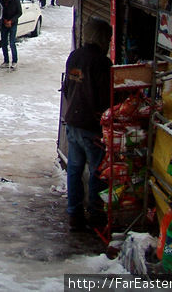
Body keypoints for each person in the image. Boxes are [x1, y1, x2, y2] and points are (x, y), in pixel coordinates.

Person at [61, 17, 113, 231]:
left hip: (72, 121)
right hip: (91, 126)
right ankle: (95, 213)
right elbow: (106, 96)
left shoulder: (75, 56)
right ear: (103, 38)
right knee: (97, 172)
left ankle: (74, 214)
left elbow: (66, 88)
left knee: (74, 170)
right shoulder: (102, 62)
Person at [0, 0, 22, 68]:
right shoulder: (0, 1)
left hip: (13, 23)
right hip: (4, 23)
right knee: (4, 42)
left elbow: (19, 12)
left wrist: (11, 21)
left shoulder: (15, 1)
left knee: (12, 42)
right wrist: (4, 20)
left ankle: (14, 61)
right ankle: (6, 61)